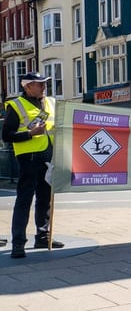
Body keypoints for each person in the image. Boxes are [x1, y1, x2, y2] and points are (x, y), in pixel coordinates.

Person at [3, 72, 64, 259]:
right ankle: (18, 244)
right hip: (28, 159)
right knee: (24, 201)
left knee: (45, 198)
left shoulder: (52, 103)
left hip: (48, 158)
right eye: (39, 84)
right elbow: (6, 136)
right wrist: (30, 134)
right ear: (27, 87)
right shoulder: (16, 105)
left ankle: (43, 237)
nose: (44, 87)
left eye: (44, 83)